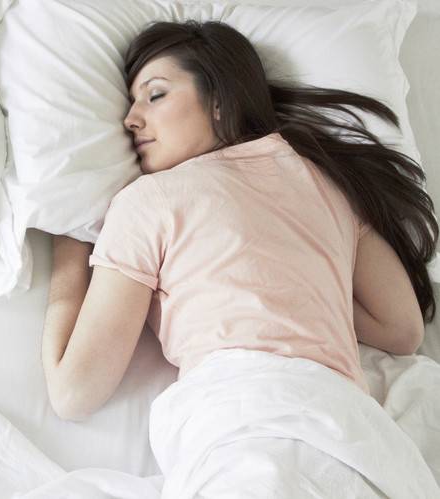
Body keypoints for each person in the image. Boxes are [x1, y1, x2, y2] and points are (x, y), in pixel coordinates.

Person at [41, 19, 439, 497]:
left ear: (219, 100)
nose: (131, 119)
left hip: (241, 418)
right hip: (351, 431)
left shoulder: (149, 200)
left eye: (155, 95)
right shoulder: (328, 182)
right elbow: (402, 329)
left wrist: (67, 246)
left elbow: (73, 392)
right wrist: (300, 287)